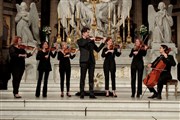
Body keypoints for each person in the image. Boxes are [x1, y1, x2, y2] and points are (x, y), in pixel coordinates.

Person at [77, 27, 106, 99]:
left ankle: (91, 93)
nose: (88, 33)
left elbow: (97, 50)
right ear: (83, 33)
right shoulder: (80, 40)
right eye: (87, 32)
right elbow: (83, 44)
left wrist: (103, 42)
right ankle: (82, 92)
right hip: (84, 61)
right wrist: (90, 39)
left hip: (91, 61)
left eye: (88, 32)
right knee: (82, 77)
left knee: (91, 78)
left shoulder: (91, 41)